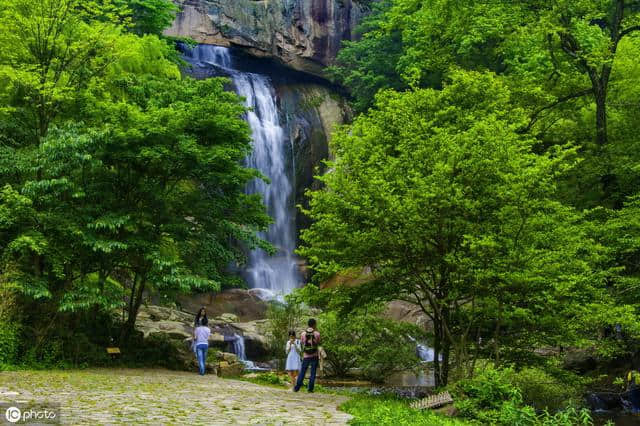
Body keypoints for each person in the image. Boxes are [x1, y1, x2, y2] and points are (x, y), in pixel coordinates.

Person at [294, 318, 320, 393]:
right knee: (313, 373)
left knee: (302, 372)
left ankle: (297, 388)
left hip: (306, 356)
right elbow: (318, 342)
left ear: (308, 324)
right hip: (314, 355)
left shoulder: (303, 334)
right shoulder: (317, 333)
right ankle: (310, 389)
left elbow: (302, 343)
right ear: (314, 324)